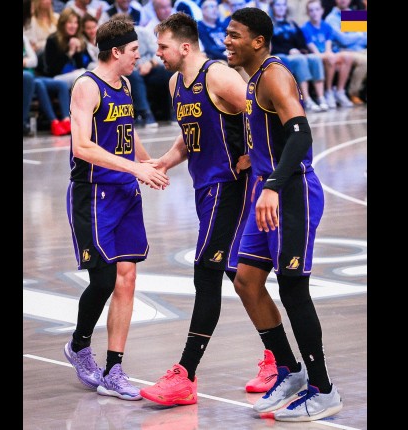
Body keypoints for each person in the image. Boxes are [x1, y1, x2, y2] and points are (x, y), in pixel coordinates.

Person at [137, 12, 272, 405]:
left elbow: (264, 110)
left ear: (184, 46)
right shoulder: (175, 83)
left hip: (230, 186)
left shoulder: (218, 75)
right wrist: (165, 161)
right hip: (205, 187)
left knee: (206, 272)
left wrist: (255, 158)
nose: (158, 53)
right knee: (236, 274)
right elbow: (190, 134)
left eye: (162, 47)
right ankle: (278, 360)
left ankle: (185, 375)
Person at [224, 7, 343, 421]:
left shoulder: (274, 75)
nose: (227, 41)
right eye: (227, 34)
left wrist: (272, 184)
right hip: (268, 191)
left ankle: (323, 389)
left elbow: (300, 133)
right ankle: (290, 372)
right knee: (244, 279)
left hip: (291, 193)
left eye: (235, 35)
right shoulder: (253, 79)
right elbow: (271, 136)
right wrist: (251, 158)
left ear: (258, 41)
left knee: (293, 289)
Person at [63, 17, 170, 402]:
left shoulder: (123, 85)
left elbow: (127, 131)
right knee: (104, 279)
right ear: (116, 52)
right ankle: (79, 346)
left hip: (125, 192)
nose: (139, 57)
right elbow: (82, 147)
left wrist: (149, 162)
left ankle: (114, 370)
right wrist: (134, 168)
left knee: (127, 279)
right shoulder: (87, 86)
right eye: (134, 51)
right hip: (94, 195)